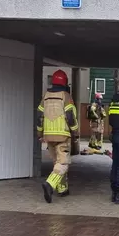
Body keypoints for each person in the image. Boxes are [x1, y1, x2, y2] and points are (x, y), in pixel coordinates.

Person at [38, 70, 79, 203]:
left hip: (48, 136)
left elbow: (39, 117)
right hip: (63, 135)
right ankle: (50, 184)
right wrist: (75, 132)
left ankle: (62, 188)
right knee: (63, 163)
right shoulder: (66, 96)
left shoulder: (45, 96)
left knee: (57, 163)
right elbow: (70, 117)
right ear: (65, 82)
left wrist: (40, 133)